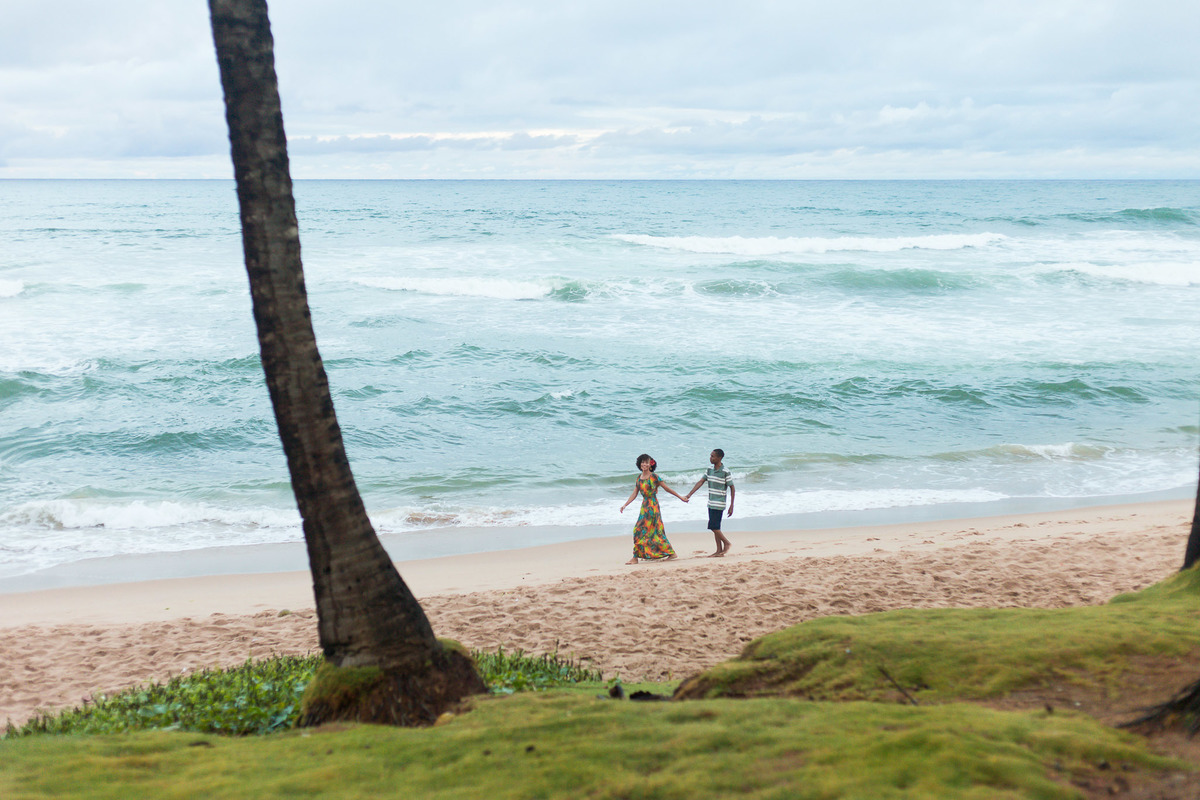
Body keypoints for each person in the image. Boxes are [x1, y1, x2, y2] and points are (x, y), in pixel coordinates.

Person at [619, 454, 684, 564]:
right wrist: (625, 505)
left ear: (651, 464)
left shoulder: (654, 477)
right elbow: (634, 494)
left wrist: (681, 497)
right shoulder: (639, 478)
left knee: (639, 530)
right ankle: (671, 553)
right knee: (654, 531)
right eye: (642, 462)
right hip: (644, 506)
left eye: (646, 462)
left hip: (653, 506)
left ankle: (635, 557)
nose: (644, 464)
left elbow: (667, 489)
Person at [685, 448, 735, 557]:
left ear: (719, 458)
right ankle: (719, 551)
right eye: (710, 455)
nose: (710, 458)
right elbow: (701, 482)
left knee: (713, 526)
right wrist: (689, 494)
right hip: (711, 502)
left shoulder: (725, 471)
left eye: (713, 456)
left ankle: (727, 543)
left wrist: (732, 505)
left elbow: (732, 487)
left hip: (719, 503)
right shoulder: (709, 469)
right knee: (716, 527)